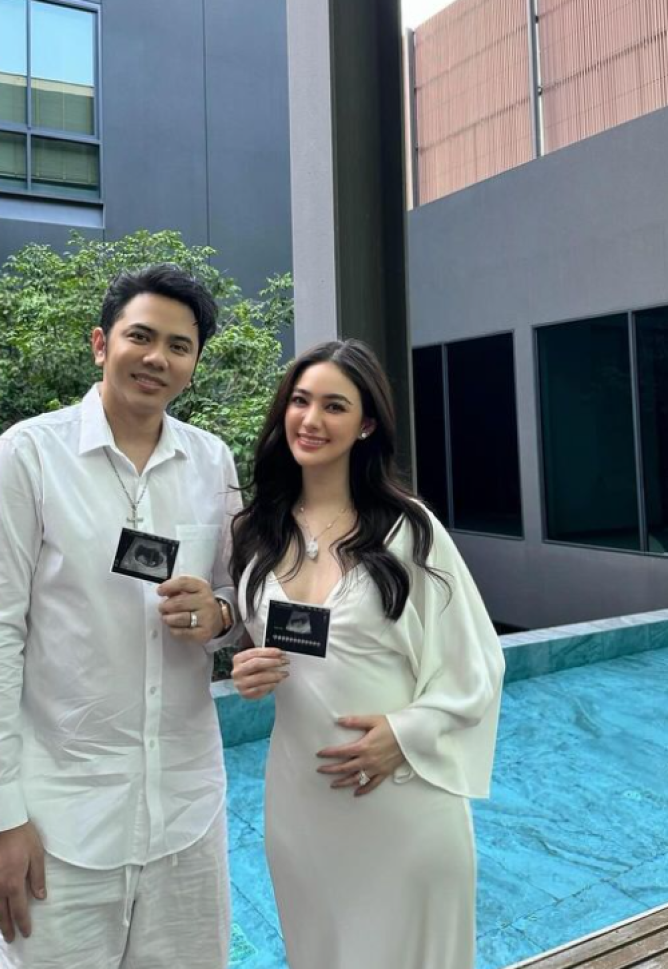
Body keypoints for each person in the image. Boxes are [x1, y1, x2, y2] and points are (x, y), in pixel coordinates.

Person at [0, 265, 240, 969]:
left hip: (186, 816)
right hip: (60, 826)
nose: (157, 357)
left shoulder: (212, 462)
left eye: (179, 346)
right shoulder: (29, 456)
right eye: (140, 336)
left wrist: (217, 615)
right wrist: (0, 817)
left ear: (194, 364)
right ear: (100, 343)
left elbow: (239, 600)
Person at [230, 339, 505, 969]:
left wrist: (403, 736)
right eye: (300, 401)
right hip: (301, 807)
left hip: (401, 802)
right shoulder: (258, 529)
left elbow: (479, 665)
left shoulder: (410, 531)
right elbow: (265, 644)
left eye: (334, 406)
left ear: (367, 425)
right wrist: (249, 670)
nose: (311, 419)